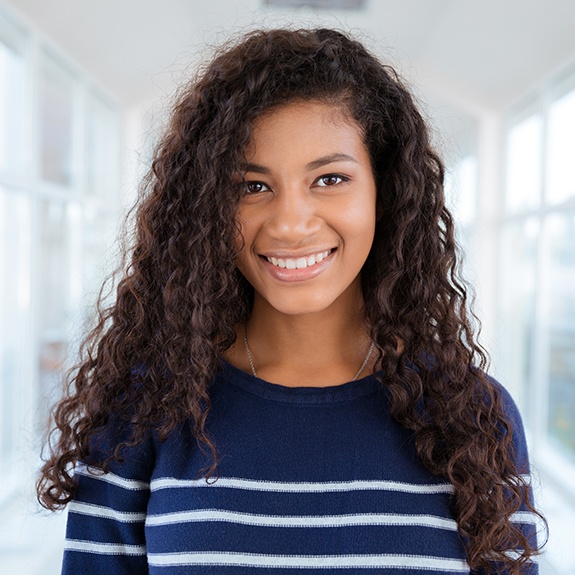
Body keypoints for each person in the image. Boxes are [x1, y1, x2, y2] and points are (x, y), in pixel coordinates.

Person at [37, 28, 543, 574]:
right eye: (252, 187)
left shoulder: (473, 418)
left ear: (385, 193)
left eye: (329, 178)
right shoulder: (141, 413)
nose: (290, 224)